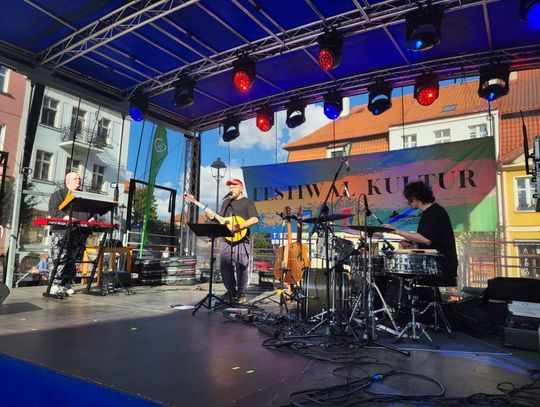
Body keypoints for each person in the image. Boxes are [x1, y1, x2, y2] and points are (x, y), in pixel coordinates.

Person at [383, 180, 458, 286]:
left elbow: (426, 240)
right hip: (433, 265)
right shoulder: (427, 213)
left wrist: (397, 230)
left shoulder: (435, 212)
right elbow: (430, 240)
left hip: (442, 265)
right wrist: (413, 242)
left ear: (416, 197)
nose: (408, 202)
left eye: (409, 198)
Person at [207, 178, 258, 304]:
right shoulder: (226, 203)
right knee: (225, 266)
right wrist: (213, 218)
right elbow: (222, 220)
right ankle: (230, 291)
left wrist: (239, 226)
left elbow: (254, 219)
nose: (231, 189)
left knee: (241, 267)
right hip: (226, 239)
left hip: (242, 239)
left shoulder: (247, 202)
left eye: (234, 187)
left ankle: (241, 294)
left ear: (241, 188)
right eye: (230, 187)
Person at [48, 172, 95, 296]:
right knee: (59, 258)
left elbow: (91, 212)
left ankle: (67, 284)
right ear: (67, 181)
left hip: (79, 232)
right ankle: (55, 284)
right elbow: (53, 211)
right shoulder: (58, 195)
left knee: (73, 259)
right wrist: (66, 217)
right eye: (75, 178)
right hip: (62, 231)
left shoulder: (83, 197)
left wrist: (92, 218)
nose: (79, 180)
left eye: (79, 179)